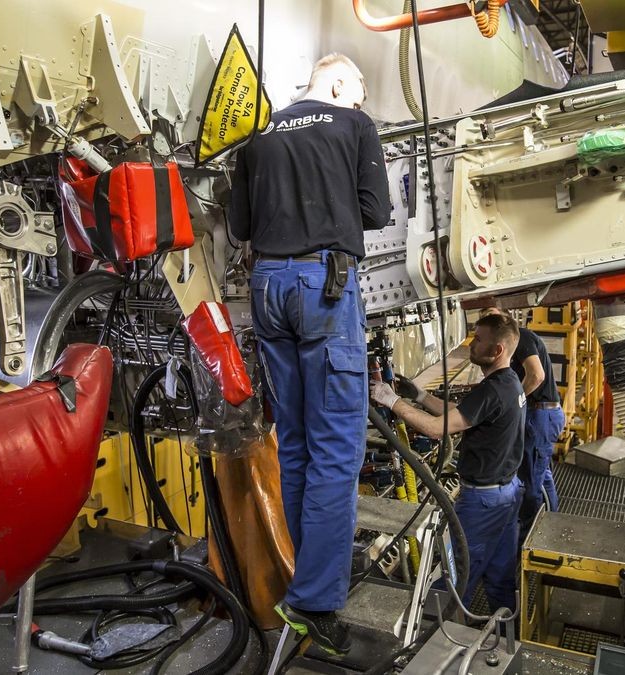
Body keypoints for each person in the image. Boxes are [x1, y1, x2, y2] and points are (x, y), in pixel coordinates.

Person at [228, 53, 390, 655]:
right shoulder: (354, 125)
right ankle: (316, 603)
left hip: (266, 288)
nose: (361, 100)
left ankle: (307, 581)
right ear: (341, 83)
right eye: (361, 90)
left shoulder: (259, 135)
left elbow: (240, 224)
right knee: (337, 452)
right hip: (323, 287)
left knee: (294, 441)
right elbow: (374, 211)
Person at [371, 313, 526, 612]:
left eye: (478, 339)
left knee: (457, 576)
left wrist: (391, 401)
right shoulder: (508, 383)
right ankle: (505, 633)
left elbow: (434, 429)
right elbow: (462, 412)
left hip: (483, 503)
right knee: (499, 575)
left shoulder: (493, 389)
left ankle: (436, 642)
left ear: (497, 351)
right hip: (507, 493)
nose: (471, 344)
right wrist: (419, 396)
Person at [481, 307, 566, 543]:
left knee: (530, 483)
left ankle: (529, 542)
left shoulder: (523, 337)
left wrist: (514, 400)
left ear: (507, 319)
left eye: (493, 315)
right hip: (543, 414)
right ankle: (551, 524)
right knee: (543, 473)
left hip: (540, 415)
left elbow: (536, 376)